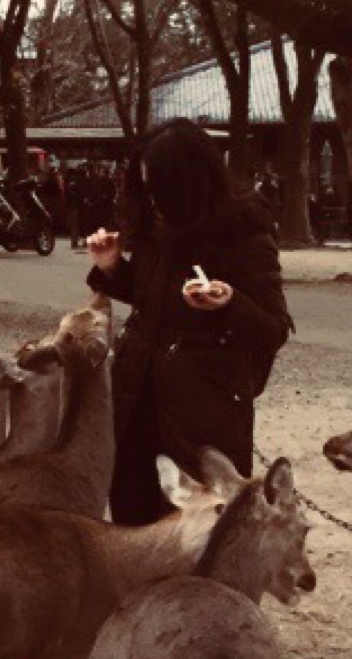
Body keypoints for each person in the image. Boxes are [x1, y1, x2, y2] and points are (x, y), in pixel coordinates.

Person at [87, 120, 293, 524]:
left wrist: (228, 303)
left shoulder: (244, 232)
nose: (153, 200)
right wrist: (113, 270)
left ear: (188, 184)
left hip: (204, 407)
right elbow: (154, 304)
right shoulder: (152, 225)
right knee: (133, 512)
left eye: (159, 190)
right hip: (137, 397)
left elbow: (274, 328)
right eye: (145, 188)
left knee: (200, 524)